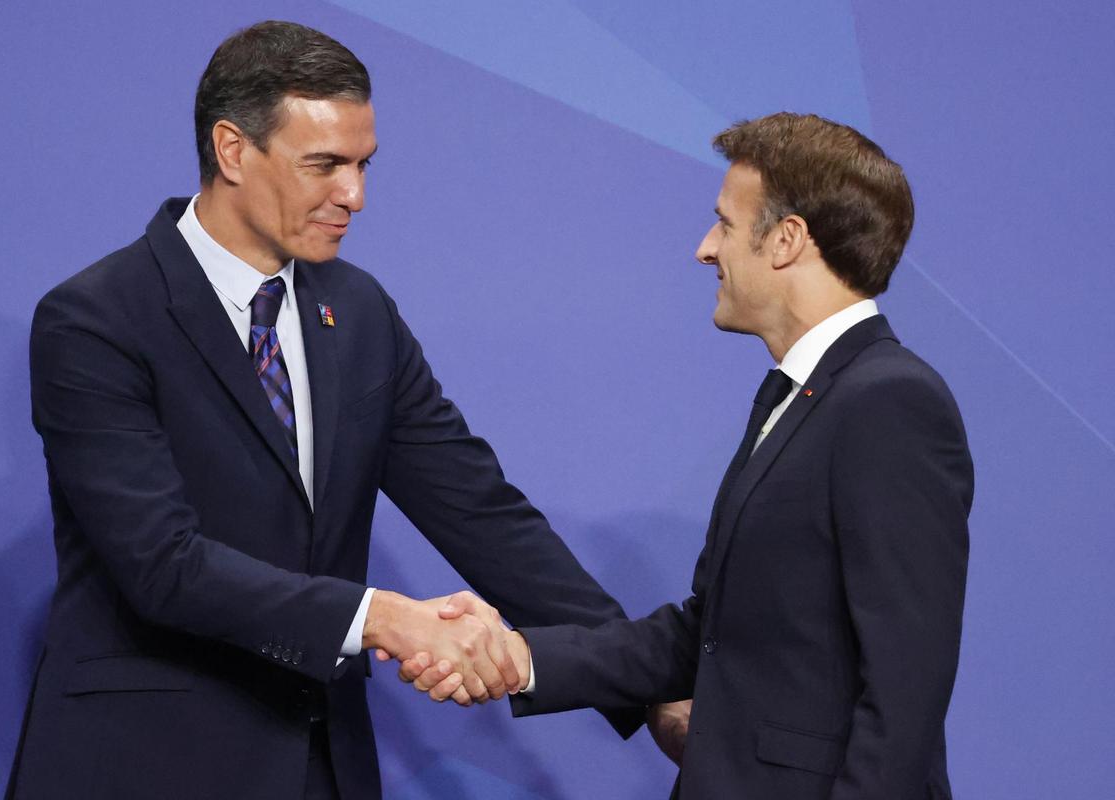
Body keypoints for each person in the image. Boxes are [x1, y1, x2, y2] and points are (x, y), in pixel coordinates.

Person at [5, 20, 647, 800]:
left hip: (321, 767)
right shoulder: (99, 319)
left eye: (364, 164)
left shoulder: (359, 311)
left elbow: (480, 511)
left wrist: (646, 686)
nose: (356, 196)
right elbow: (161, 565)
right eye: (326, 166)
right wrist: (381, 618)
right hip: (145, 764)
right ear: (233, 149)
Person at [405, 112, 973, 800]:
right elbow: (708, 631)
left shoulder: (890, 402)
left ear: (787, 240)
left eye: (726, 225)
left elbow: (905, 685)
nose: (707, 250)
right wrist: (524, 659)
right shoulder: (796, 397)